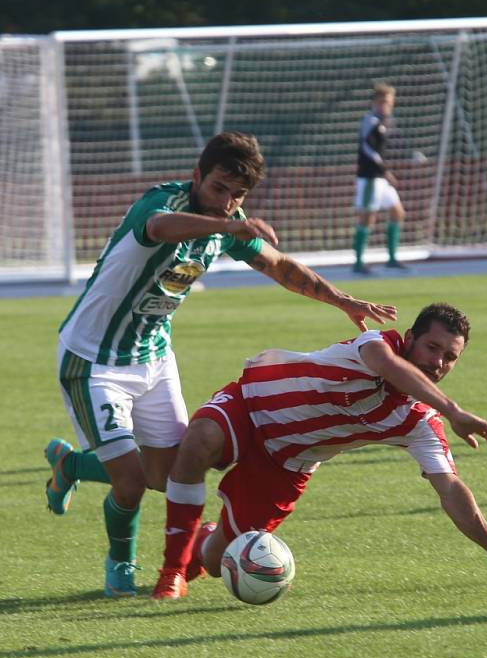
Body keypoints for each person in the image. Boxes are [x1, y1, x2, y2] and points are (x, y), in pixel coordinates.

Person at [44, 130, 397, 598]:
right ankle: (120, 565)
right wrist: (229, 228)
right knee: (129, 482)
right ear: (196, 176)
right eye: (218, 189)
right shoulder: (162, 204)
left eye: (237, 196)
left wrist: (338, 298)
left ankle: (71, 465)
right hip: (93, 361)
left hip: (152, 358)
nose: (227, 202)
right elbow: (159, 229)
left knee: (164, 477)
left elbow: (278, 265)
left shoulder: (228, 222)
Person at [151, 302, 487, 600]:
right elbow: (386, 366)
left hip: (286, 465)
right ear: (409, 337)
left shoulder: (419, 423)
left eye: (450, 357)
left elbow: (450, 488)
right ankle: (170, 571)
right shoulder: (377, 344)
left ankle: (201, 545)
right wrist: (453, 409)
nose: (437, 363)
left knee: (219, 562)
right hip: (251, 404)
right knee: (199, 441)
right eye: (432, 347)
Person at [353, 82, 407, 274]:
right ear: (375, 102)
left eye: (390, 102)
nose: (387, 106)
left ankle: (392, 258)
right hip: (369, 177)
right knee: (368, 217)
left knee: (397, 212)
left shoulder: (386, 122)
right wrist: (384, 170)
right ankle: (358, 263)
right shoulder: (370, 120)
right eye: (384, 102)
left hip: (380, 178)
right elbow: (367, 148)